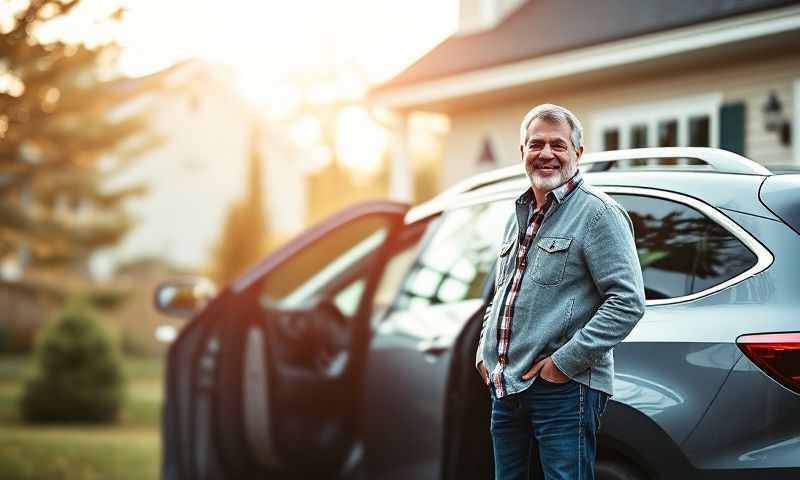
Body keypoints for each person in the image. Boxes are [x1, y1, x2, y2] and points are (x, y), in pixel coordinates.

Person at [475, 104, 646, 480]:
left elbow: (628, 302)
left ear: (577, 154)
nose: (547, 154)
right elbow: (504, 292)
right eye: (536, 144)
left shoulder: (598, 214)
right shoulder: (516, 214)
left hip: (564, 391)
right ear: (522, 152)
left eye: (558, 145)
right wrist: (484, 354)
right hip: (506, 388)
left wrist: (562, 365)